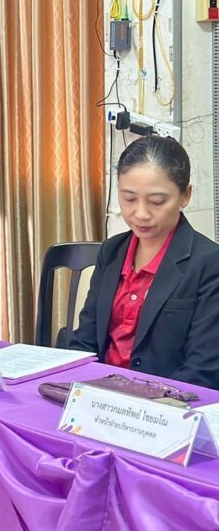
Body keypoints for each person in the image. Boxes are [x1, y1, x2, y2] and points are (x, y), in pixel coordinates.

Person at [70, 135, 219, 388]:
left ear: (185, 195)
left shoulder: (209, 263)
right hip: (99, 397)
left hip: (168, 402)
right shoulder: (112, 251)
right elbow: (85, 340)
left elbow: (202, 369)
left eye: (157, 201)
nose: (140, 213)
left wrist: (147, 403)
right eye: (129, 198)